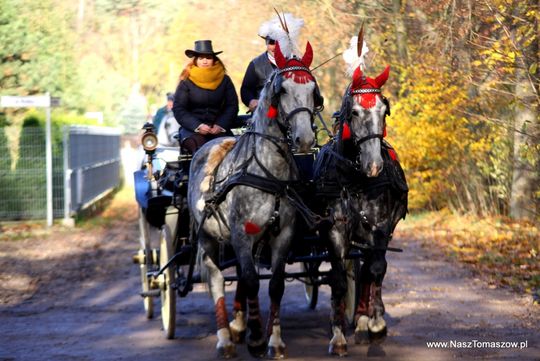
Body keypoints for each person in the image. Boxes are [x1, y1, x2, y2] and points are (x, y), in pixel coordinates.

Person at [172, 40, 239, 154]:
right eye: (201, 58)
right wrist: (197, 126)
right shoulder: (186, 81)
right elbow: (179, 109)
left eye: (208, 58)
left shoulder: (225, 80)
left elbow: (232, 106)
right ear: (196, 60)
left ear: (214, 60)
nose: (204, 61)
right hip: (192, 131)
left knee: (233, 153)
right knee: (203, 152)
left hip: (219, 130)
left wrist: (220, 125)